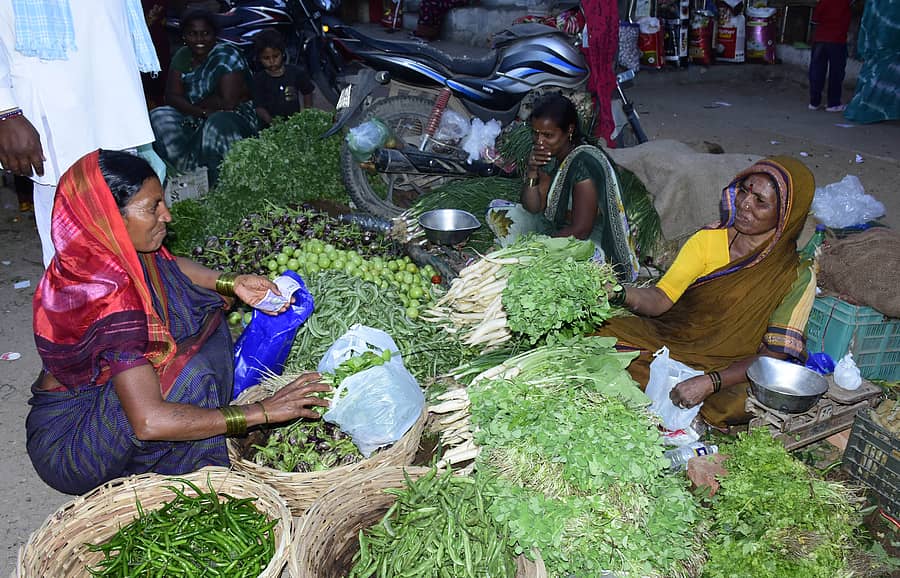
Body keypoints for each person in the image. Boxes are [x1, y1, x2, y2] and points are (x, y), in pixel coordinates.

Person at [26, 150, 330, 495]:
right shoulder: (110, 301)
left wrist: (232, 281)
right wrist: (260, 412)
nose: (166, 216)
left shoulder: (101, 252)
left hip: (97, 405)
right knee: (192, 374)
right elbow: (148, 421)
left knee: (205, 332)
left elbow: (171, 267)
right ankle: (164, 475)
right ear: (110, 218)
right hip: (73, 446)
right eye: (152, 207)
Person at [596, 156, 817, 430]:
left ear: (786, 215)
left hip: (733, 369)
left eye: (761, 201)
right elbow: (661, 299)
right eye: (745, 190)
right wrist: (617, 293)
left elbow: (774, 356)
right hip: (674, 341)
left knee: (741, 402)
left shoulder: (795, 275)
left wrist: (710, 382)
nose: (745, 203)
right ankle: (675, 403)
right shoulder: (708, 240)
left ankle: (687, 404)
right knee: (600, 334)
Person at [0, 0, 163, 267]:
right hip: (53, 101)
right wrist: (5, 110)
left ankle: (127, 303)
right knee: (69, 225)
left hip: (114, 95)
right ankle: (76, 306)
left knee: (124, 216)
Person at [486, 93, 640, 282]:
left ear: (569, 130)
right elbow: (533, 207)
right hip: (558, 229)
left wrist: (539, 247)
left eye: (548, 135)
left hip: (589, 242)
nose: (539, 141)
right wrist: (532, 171)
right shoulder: (551, 155)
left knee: (570, 270)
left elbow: (581, 229)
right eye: (535, 133)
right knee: (498, 213)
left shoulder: (583, 164)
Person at [150, 9, 258, 186]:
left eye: (205, 34)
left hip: (233, 119)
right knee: (159, 116)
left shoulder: (226, 55)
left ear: (215, 35)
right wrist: (200, 112)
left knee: (217, 123)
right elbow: (171, 96)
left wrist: (198, 110)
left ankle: (222, 184)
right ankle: (187, 176)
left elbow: (227, 102)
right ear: (184, 35)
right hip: (198, 115)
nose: (199, 39)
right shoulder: (182, 55)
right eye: (192, 34)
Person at [252, 29, 314, 128]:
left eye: (276, 56)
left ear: (283, 53)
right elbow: (259, 107)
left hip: (294, 125)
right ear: (259, 58)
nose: (272, 61)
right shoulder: (259, 80)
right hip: (270, 129)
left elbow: (307, 91)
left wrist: (307, 112)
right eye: (266, 58)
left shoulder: (296, 73)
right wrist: (272, 122)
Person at [808, 0, 852, 112]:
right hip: (837, 39)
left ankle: (814, 102)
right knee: (836, 73)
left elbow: (815, 19)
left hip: (820, 39)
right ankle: (833, 103)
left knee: (816, 71)